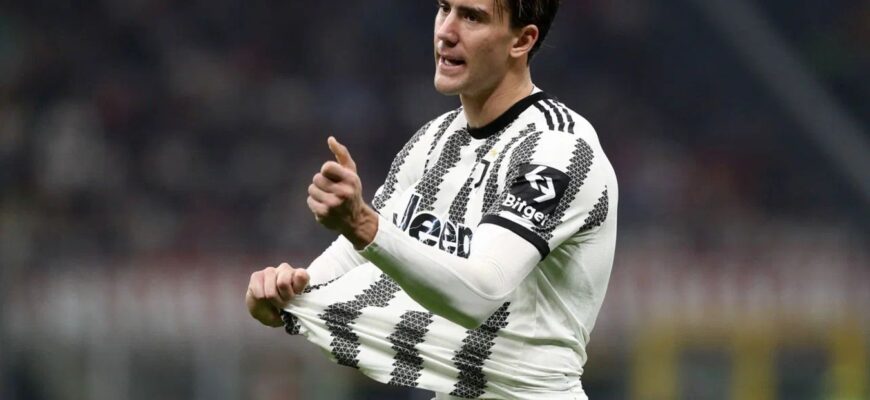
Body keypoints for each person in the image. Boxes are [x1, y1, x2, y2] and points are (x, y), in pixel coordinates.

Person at [246, 0, 617, 398]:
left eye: (472, 16)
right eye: (444, 9)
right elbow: (358, 255)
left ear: (522, 40)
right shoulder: (432, 142)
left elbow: (480, 293)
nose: (446, 31)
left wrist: (361, 223)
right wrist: (285, 291)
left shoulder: (559, 150)